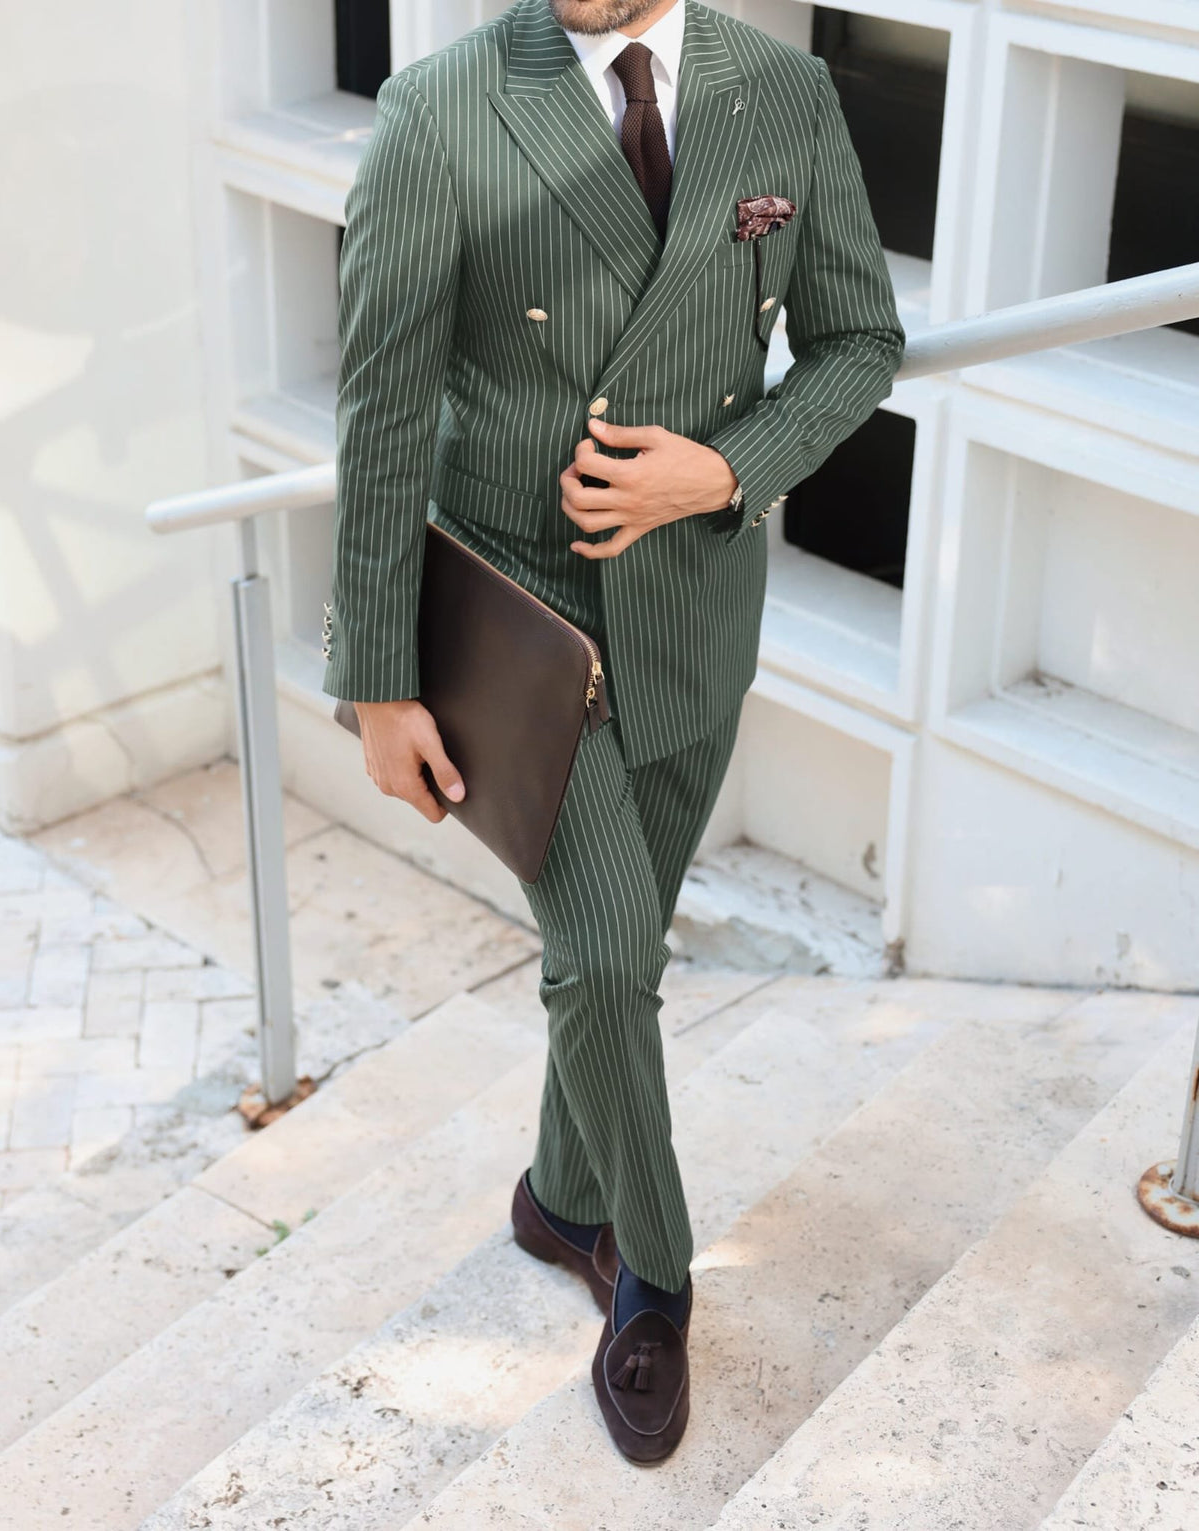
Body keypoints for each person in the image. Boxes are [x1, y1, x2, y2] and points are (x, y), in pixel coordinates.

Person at [322, 0, 904, 1464]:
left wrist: (725, 469)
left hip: (696, 620)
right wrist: (375, 682)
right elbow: (381, 411)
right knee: (603, 959)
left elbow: (858, 343)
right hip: (523, 631)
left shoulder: (787, 95)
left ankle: (559, 1198)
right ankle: (654, 1275)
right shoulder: (440, 111)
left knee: (618, 950)